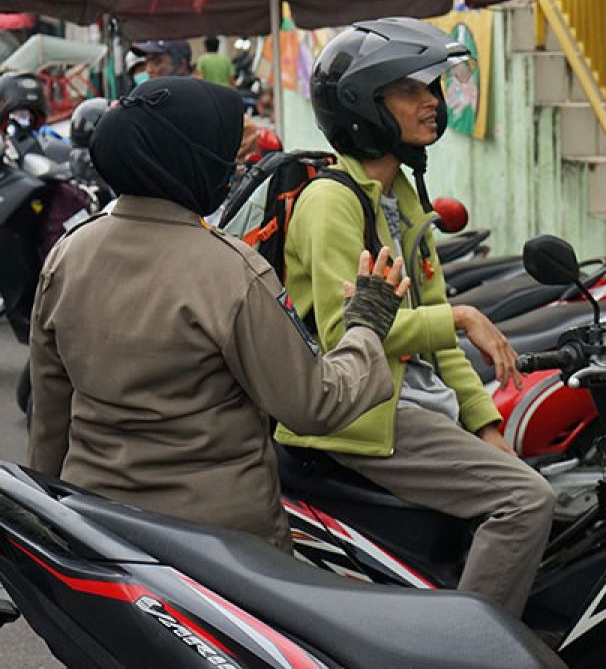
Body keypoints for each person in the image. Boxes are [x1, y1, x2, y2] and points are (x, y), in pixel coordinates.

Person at [27, 76, 407, 551]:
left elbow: (49, 416)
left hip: (98, 527)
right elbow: (312, 403)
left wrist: (46, 525)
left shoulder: (67, 254)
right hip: (220, 549)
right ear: (190, 161)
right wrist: (367, 325)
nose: (233, 168)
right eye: (224, 154)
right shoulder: (230, 270)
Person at [277, 17, 555, 616]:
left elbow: (437, 337)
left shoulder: (403, 197)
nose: (433, 102)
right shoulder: (331, 203)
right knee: (527, 502)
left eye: (431, 88)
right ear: (364, 106)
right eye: (411, 90)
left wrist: (485, 425)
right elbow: (345, 335)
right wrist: (457, 317)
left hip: (410, 398)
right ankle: (467, 650)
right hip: (363, 408)